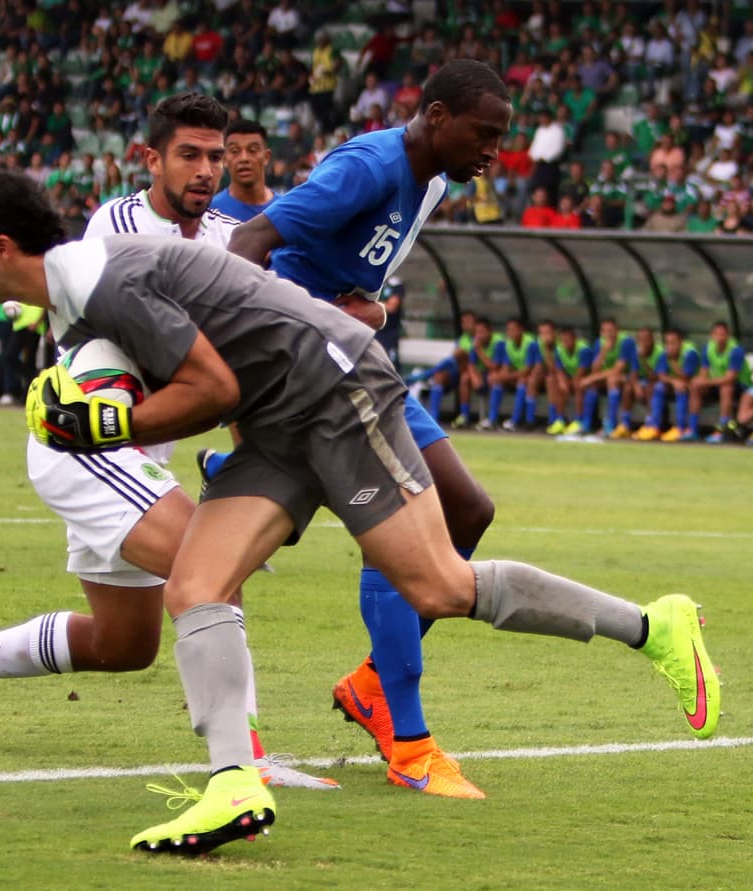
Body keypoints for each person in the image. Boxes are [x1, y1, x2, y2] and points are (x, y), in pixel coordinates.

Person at [0, 169, 720, 856]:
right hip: (278, 417)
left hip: (333, 390)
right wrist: (105, 416)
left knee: (439, 586)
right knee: (197, 585)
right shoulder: (76, 299)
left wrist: (112, 426)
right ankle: (234, 784)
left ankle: (655, 626)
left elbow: (211, 389)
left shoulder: (102, 280)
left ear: (2, 247)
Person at [0, 93, 333, 792]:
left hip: (139, 451)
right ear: (152, 159)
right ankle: (245, 761)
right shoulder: (119, 226)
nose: (206, 170)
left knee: (122, 644)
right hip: (97, 444)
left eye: (215, 156)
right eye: (189, 155)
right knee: (213, 573)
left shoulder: (230, 237)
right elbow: (188, 354)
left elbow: (232, 356)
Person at [227, 60, 511, 798]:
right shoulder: (369, 167)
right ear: (437, 116)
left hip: (356, 359)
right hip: (310, 368)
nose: (493, 152)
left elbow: (361, 289)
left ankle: (372, 684)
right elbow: (249, 244)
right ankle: (410, 742)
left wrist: (371, 312)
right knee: (399, 529)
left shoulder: (434, 180)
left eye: (500, 138)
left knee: (468, 509)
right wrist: (269, 346)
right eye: (483, 134)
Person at [569, 317, 636, 439]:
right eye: (605, 331)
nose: (608, 334)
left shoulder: (626, 342)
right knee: (592, 385)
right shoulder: (599, 344)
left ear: (617, 330)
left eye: (611, 330)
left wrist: (590, 378)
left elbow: (617, 370)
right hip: (607, 377)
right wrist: (604, 351)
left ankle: (610, 425)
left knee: (611, 380)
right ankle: (586, 424)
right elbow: (595, 369)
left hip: (627, 377)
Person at [689, 321, 749, 443]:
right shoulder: (708, 348)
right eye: (716, 334)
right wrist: (700, 381)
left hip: (740, 386)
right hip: (716, 384)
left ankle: (721, 431)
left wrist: (706, 382)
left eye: (722, 334)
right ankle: (692, 429)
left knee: (726, 388)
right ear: (712, 335)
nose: (719, 337)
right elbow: (704, 373)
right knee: (695, 385)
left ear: (728, 336)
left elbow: (730, 378)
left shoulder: (736, 350)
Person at [210, 119, 276, 221]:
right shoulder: (210, 212)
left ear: (266, 157)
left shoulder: (285, 210)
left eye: (252, 150)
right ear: (224, 159)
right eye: (235, 151)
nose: (244, 158)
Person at [484, 316, 538, 431]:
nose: (510, 332)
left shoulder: (530, 343)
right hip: (516, 376)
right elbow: (506, 367)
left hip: (532, 377)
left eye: (513, 329)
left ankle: (518, 421)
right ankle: (492, 419)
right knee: (497, 382)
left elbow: (528, 369)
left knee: (523, 382)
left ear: (521, 329)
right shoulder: (507, 344)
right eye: (508, 329)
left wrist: (506, 377)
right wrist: (501, 377)